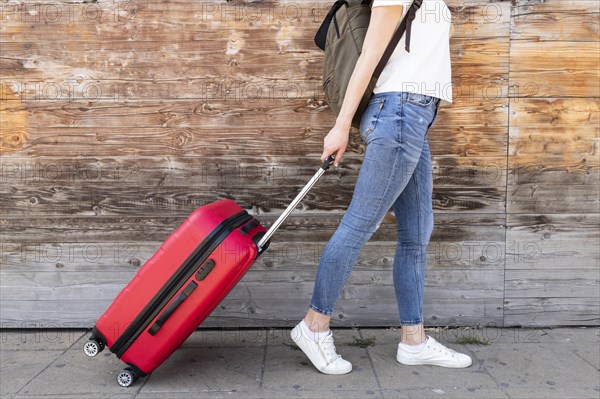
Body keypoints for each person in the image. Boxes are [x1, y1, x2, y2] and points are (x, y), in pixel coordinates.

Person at [290, 0, 472, 374]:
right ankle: (313, 325)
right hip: (399, 112)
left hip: (415, 117)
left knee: (416, 234)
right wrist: (341, 126)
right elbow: (369, 55)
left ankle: (414, 340)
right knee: (359, 225)